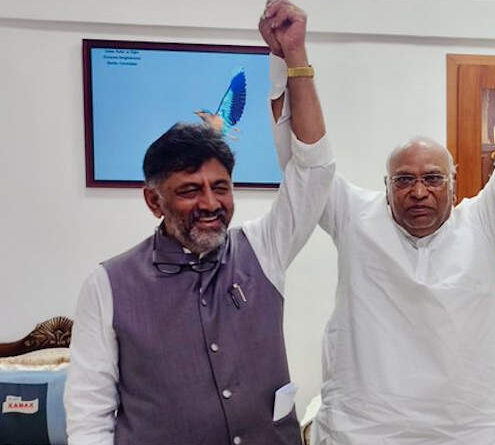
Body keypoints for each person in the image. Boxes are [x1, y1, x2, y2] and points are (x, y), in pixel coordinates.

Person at [259, 1, 495, 443]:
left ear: (455, 186)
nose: (418, 192)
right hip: (364, 430)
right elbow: (305, 158)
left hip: (468, 431)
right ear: (386, 187)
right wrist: (292, 57)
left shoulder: (482, 222)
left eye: (432, 179)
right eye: (404, 180)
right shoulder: (355, 217)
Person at [63, 7, 335, 442]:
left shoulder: (263, 248)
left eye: (221, 186)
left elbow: (314, 171)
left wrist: (295, 57)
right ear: (154, 200)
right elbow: (89, 413)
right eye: (190, 190)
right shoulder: (108, 284)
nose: (211, 203)